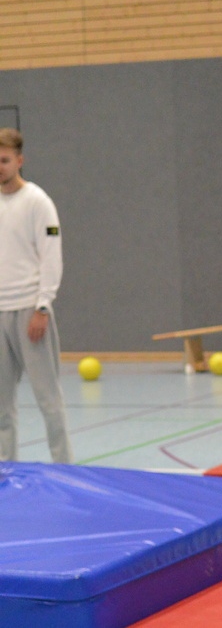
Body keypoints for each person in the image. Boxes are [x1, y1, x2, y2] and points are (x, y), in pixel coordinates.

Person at [0, 128, 73, 465]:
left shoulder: (38, 202)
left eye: (4, 160)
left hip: (30, 310)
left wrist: (42, 306)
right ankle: (4, 468)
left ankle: (64, 466)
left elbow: (51, 256)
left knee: (48, 400)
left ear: (19, 161)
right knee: (2, 405)